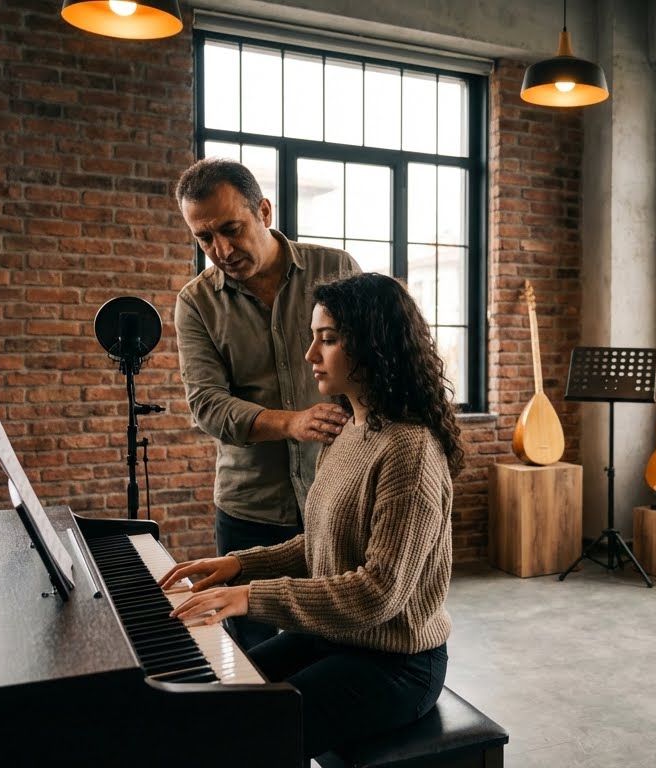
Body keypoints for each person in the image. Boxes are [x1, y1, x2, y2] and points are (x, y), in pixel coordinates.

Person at [159, 272, 464, 759]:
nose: (311, 355)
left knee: (248, 734)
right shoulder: (347, 433)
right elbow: (320, 543)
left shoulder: (410, 451)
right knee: (221, 692)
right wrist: (239, 565)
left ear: (371, 345)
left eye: (329, 339)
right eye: (312, 338)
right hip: (336, 639)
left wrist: (250, 597)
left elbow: (377, 592)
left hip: (398, 664)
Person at [173, 157, 361, 649]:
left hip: (338, 490)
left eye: (231, 229)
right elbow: (207, 405)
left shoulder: (335, 269)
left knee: (336, 638)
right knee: (250, 654)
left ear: (264, 210)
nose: (222, 249)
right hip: (249, 506)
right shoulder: (196, 302)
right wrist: (292, 423)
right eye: (205, 238)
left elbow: (377, 364)